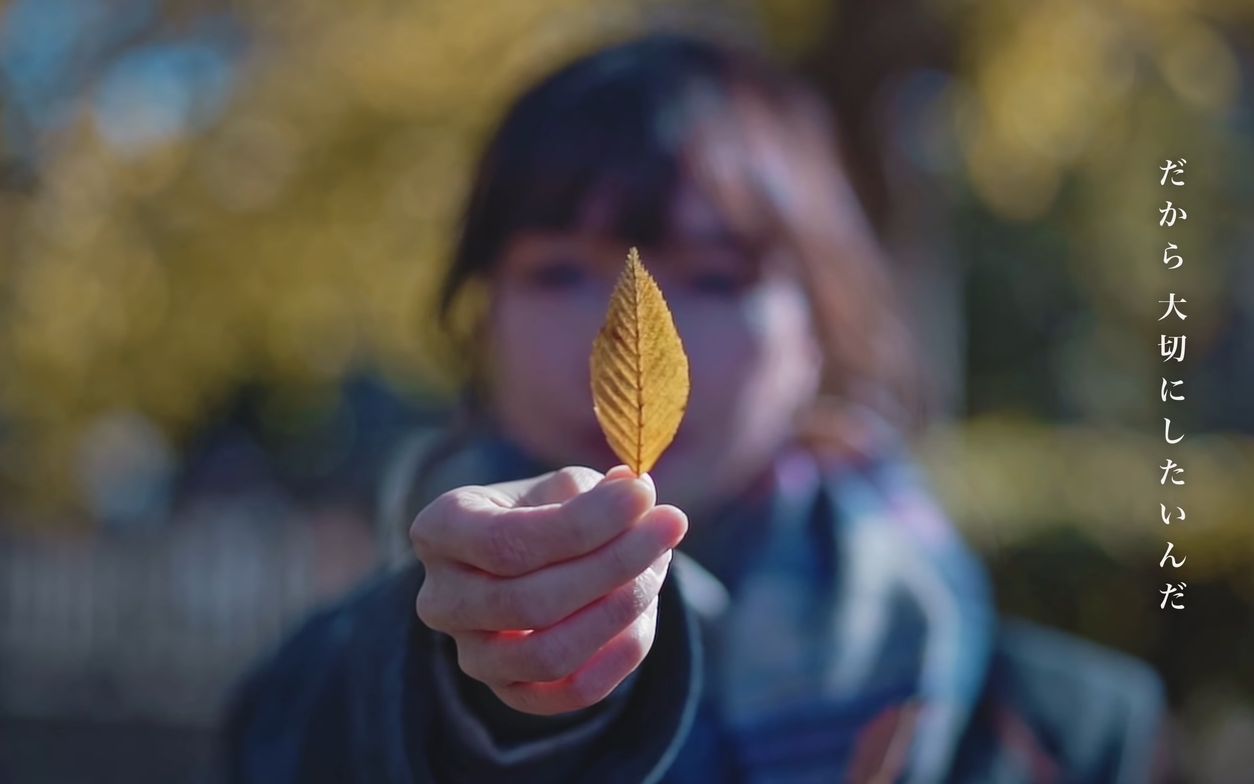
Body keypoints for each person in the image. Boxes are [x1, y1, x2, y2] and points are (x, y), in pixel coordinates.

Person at [221, 32, 1173, 783]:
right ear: (482, 322)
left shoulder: (1069, 733)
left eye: (716, 277)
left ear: (820, 331)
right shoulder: (315, 697)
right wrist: (488, 710)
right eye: (556, 271)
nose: (632, 319)